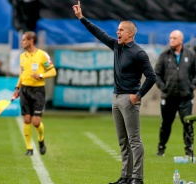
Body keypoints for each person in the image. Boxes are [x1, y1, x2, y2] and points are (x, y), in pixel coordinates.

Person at [72, 1, 157, 184]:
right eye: (117, 30)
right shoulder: (117, 46)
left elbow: (151, 77)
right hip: (116, 97)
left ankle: (137, 178)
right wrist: (81, 18)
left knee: (134, 140)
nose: (117, 32)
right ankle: (125, 177)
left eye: (121, 30)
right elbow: (98, 33)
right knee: (122, 141)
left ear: (130, 34)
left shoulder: (139, 53)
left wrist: (138, 95)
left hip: (129, 99)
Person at [154, 30, 196, 157]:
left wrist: (192, 86)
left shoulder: (190, 54)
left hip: (185, 97)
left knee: (187, 123)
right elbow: (156, 74)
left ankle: (189, 150)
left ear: (181, 40)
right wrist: (163, 87)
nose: (171, 40)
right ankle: (161, 148)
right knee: (165, 123)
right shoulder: (164, 55)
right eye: (170, 38)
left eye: (174, 38)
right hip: (168, 97)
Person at [12, 31, 57, 156]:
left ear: (31, 41)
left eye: (23, 40)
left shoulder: (43, 55)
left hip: (38, 91)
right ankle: (29, 148)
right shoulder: (22, 57)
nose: (21, 42)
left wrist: (41, 75)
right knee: (26, 119)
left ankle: (41, 140)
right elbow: (22, 75)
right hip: (25, 90)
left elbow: (53, 72)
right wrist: (17, 88)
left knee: (36, 122)